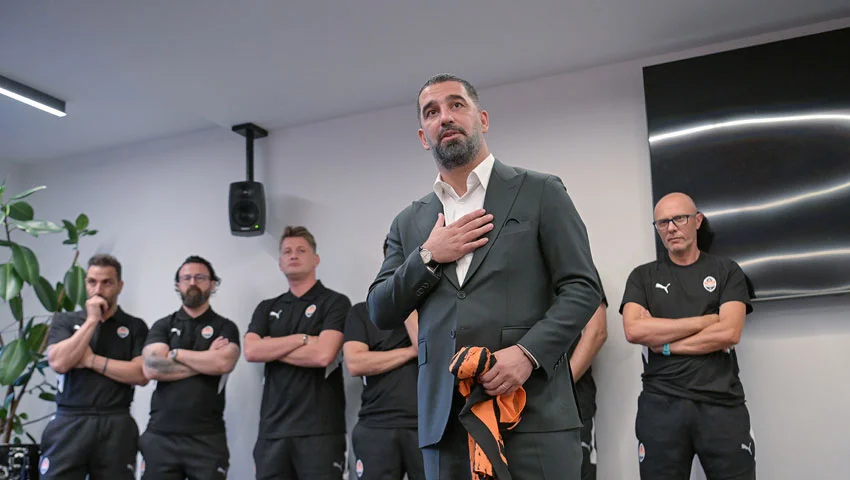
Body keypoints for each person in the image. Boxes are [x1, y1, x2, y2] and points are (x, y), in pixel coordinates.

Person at [368, 73, 602, 480]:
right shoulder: (408, 222)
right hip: (446, 427)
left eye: (456, 105)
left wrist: (527, 354)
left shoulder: (541, 191)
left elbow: (582, 288)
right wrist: (428, 255)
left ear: (483, 119)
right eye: (431, 112)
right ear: (423, 137)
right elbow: (380, 310)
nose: (445, 117)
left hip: (534, 415)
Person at [621, 192, 755, 480]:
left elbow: (729, 332)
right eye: (662, 222)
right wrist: (706, 320)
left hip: (722, 405)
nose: (671, 228)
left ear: (697, 221)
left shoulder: (727, 271)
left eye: (679, 219)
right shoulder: (642, 277)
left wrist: (665, 344)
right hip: (661, 405)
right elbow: (634, 330)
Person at [244, 226, 351, 480]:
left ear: (315, 259)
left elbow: (323, 355)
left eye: (301, 250)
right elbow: (251, 350)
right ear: (280, 263)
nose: (293, 255)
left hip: (320, 431)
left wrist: (271, 347)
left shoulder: (335, 302)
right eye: (287, 251)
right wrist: (303, 339)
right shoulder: (266, 308)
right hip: (273, 432)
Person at [41, 254, 148, 479]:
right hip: (70, 419)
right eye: (92, 282)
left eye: (107, 282)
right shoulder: (65, 321)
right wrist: (91, 321)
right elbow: (59, 362)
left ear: (119, 286)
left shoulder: (135, 326)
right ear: (86, 284)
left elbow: (140, 374)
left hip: (116, 421)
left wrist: (90, 360)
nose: (98, 289)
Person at [139, 255, 240, 480]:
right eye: (186, 278)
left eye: (200, 277)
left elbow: (223, 362)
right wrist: (207, 360)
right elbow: (152, 368)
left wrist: (175, 354)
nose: (193, 282)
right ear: (178, 284)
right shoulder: (163, 326)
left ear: (212, 284)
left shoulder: (225, 327)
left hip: (207, 439)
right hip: (161, 437)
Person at [343, 239, 425, 480]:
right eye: (395, 260)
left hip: (427, 426)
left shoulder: (434, 310)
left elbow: (425, 347)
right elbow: (355, 363)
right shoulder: (362, 311)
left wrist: (406, 302)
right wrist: (409, 353)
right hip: (376, 427)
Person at [569, 296, 608, 480]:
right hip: (511, 405)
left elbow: (597, 331)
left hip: (571, 404)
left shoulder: (579, 272)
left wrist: (560, 387)